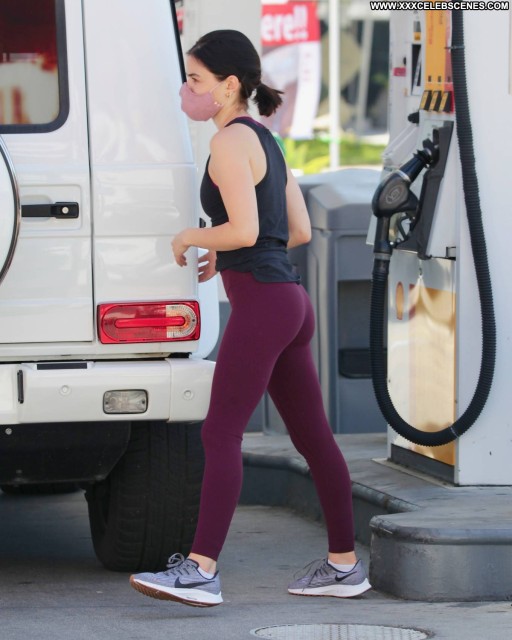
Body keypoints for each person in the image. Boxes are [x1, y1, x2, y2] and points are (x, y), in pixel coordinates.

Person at [129, 29, 371, 608]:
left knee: (220, 432)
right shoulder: (267, 139)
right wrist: (229, 252)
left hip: (263, 304)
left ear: (228, 85)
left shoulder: (228, 142)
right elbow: (297, 230)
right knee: (313, 438)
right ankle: (344, 566)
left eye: (196, 80)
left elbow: (244, 228)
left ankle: (200, 570)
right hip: (288, 302)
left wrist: (192, 237)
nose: (187, 90)